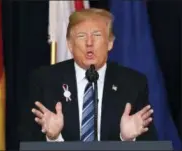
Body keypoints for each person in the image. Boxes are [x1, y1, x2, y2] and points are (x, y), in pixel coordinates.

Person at [19, 8, 157, 142]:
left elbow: (151, 144)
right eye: (81, 36)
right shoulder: (44, 81)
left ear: (110, 43)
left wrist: (127, 139)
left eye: (97, 35)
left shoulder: (133, 83)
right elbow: (26, 141)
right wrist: (53, 138)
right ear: (69, 44)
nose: (89, 43)